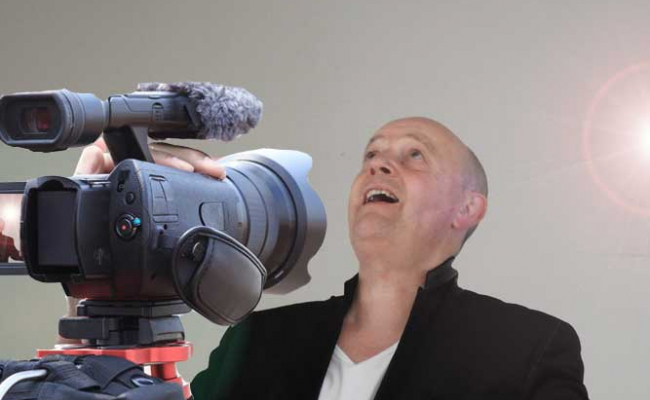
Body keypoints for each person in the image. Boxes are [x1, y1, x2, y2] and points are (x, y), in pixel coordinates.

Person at [73, 117, 589, 399]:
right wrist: (96, 245)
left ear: (467, 209)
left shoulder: (528, 348)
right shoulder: (258, 341)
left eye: (414, 155)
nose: (379, 165)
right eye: (371, 155)